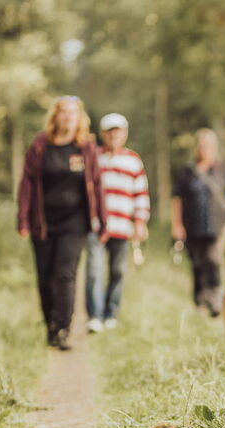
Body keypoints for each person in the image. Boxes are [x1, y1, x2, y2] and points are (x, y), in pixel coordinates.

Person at [17, 96, 107, 350]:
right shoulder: (40, 145)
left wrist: (103, 220)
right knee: (45, 277)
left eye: (73, 113)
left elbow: (97, 186)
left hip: (74, 222)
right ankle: (50, 325)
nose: (68, 117)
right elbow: (26, 183)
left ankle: (64, 328)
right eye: (63, 112)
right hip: (43, 222)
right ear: (55, 116)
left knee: (65, 274)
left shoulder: (86, 147)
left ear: (80, 118)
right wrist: (22, 217)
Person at [85, 113, 150, 333]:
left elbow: (141, 194)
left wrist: (140, 222)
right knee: (95, 270)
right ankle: (94, 315)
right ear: (103, 134)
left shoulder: (133, 160)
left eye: (118, 131)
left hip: (123, 227)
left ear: (125, 134)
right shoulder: (94, 157)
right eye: (110, 131)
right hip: (96, 226)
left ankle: (110, 313)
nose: (114, 135)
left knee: (118, 271)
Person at [170, 128, 225, 316]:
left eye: (209, 146)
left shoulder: (222, 171)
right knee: (197, 264)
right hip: (193, 227)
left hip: (216, 227)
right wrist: (176, 225)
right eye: (202, 145)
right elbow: (177, 199)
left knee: (213, 261)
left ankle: (215, 299)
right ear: (196, 147)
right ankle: (199, 301)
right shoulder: (187, 172)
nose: (205, 149)